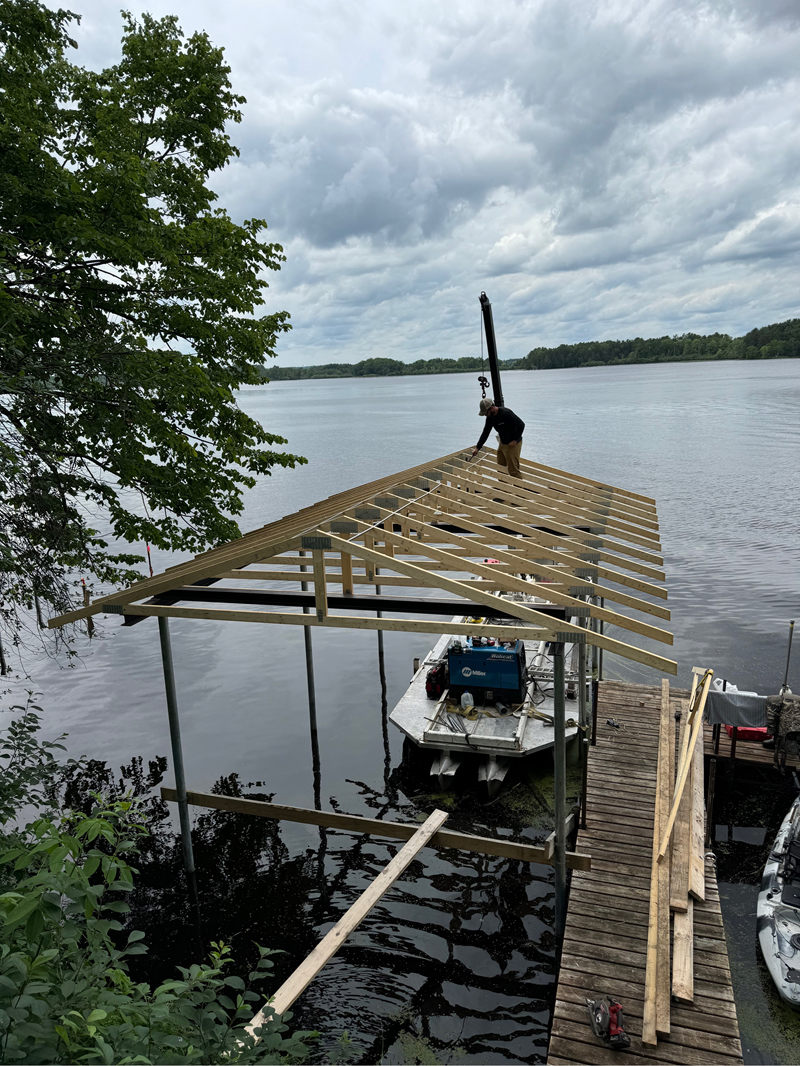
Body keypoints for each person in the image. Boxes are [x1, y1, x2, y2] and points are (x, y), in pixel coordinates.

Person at [472, 397, 525, 477]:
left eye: (486, 412)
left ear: (491, 408)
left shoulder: (506, 413)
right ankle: (502, 489)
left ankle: (519, 488)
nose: (486, 415)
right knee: (500, 469)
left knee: (513, 470)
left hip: (512, 444)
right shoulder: (490, 418)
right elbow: (485, 432)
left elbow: (521, 424)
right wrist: (477, 447)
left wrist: (515, 440)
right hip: (502, 442)